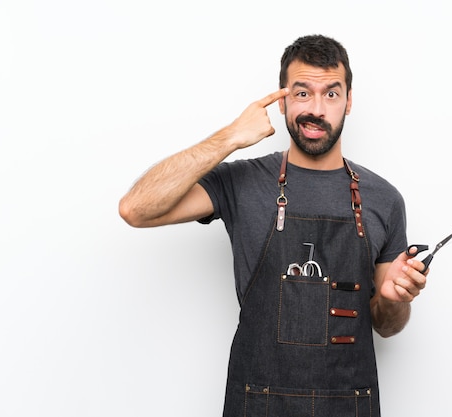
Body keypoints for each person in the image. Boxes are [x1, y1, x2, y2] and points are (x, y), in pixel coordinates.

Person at [119, 34, 428, 417]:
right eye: (302, 93)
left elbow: (387, 325)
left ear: (349, 102)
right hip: (258, 403)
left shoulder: (384, 199)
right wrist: (230, 137)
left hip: (349, 406)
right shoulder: (242, 182)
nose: (316, 109)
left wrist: (395, 299)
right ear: (282, 101)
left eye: (331, 94)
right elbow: (136, 209)